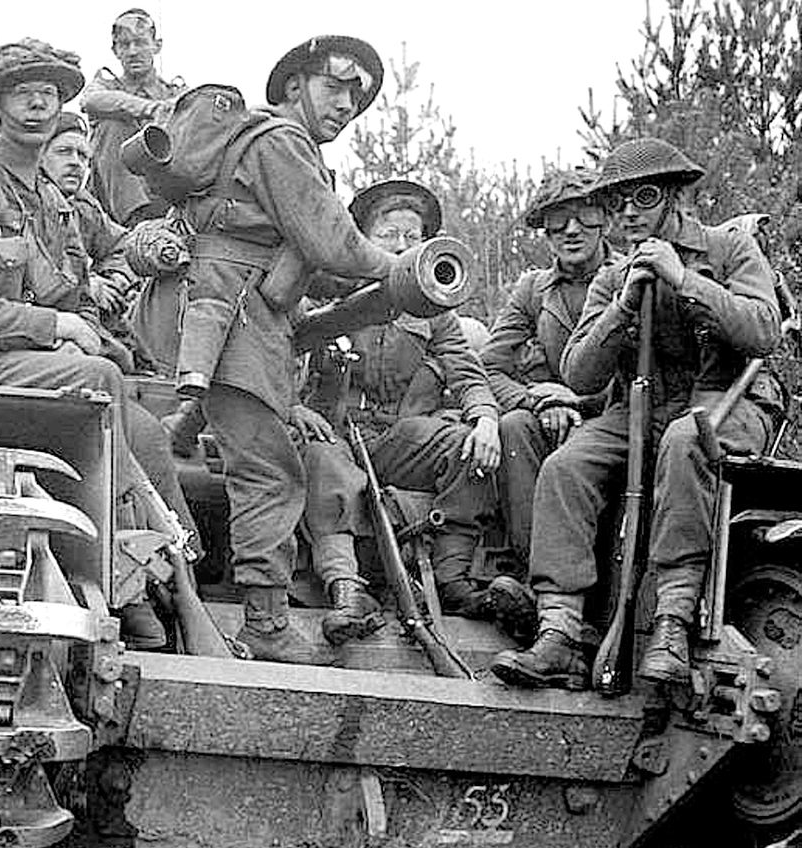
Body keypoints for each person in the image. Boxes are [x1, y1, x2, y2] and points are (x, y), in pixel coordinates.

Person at [162, 35, 441, 663]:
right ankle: (263, 626)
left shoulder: (281, 146)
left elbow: (313, 261)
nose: (348, 103)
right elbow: (337, 245)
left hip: (240, 319)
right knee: (269, 472)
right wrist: (403, 266)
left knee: (261, 463)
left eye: (359, 95)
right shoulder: (282, 142)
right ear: (294, 86)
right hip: (232, 322)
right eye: (335, 86)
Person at [0, 38, 196, 648]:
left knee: (146, 425)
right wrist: (61, 332)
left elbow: (94, 270)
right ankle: (125, 573)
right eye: (24, 89)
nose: (40, 99)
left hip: (34, 360)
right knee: (100, 382)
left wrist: (168, 249)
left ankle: (178, 568)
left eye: (49, 88)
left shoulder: (49, 199)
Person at [492, 137, 780, 691]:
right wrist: (624, 305)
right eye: (617, 201)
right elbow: (579, 376)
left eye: (642, 197)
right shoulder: (612, 276)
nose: (628, 213)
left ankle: (671, 623)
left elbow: (763, 332)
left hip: (729, 400)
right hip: (639, 407)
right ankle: (560, 631)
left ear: (676, 198)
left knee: (683, 439)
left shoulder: (729, 250)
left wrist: (683, 280)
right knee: (567, 465)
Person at [301, 179, 501, 645]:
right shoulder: (325, 292)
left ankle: (453, 581)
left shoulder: (432, 311)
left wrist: (485, 420)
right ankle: (345, 588)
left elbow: (467, 373)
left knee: (464, 445)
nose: (403, 246)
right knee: (320, 456)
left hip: (398, 438)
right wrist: (293, 407)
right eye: (389, 234)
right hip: (333, 431)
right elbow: (277, 350)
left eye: (414, 238)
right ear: (363, 240)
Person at [477, 168, 617, 637]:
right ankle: (538, 589)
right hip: (549, 418)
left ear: (605, 220)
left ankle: (581, 606)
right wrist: (537, 403)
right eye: (558, 221)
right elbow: (488, 366)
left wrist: (577, 401)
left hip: (614, 415)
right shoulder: (534, 289)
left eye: (584, 216)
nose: (572, 230)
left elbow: (649, 373)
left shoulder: (632, 277)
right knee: (514, 427)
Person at [80, 9, 184, 226]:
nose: (133, 51)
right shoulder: (106, 86)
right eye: (124, 45)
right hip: (111, 203)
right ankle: (136, 220)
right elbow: (90, 101)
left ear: (157, 46)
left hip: (166, 195)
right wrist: (151, 109)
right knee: (112, 125)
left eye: (140, 42)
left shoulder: (175, 93)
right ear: (115, 50)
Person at [41, 110, 139, 330]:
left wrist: (116, 276)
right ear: (40, 156)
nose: (75, 163)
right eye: (64, 152)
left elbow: (123, 244)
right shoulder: (23, 202)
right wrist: (87, 285)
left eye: (82, 156)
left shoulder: (83, 206)